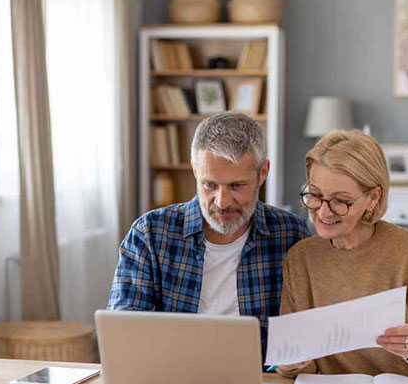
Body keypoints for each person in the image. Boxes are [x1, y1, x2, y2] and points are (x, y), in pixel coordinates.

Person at [108, 112, 310, 355]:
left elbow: (304, 329)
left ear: (262, 173)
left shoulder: (291, 235)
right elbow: (125, 333)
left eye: (237, 186)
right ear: (195, 170)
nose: (222, 202)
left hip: (260, 380)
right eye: (210, 185)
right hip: (172, 379)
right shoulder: (149, 234)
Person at [276, 129, 408, 381]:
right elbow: (302, 366)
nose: (323, 212)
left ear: (372, 197)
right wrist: (292, 363)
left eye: (340, 200)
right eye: (315, 195)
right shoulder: (301, 258)